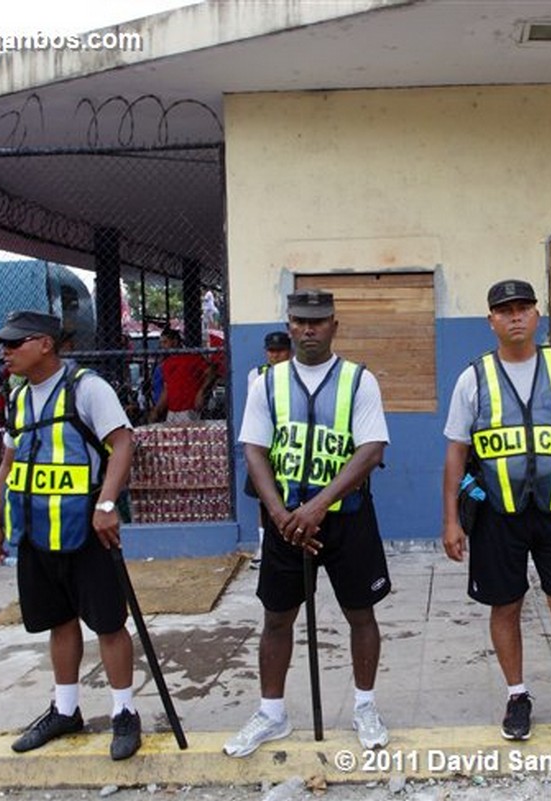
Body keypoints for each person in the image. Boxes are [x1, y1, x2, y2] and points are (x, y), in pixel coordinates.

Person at [442, 279, 551, 743]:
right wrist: (452, 520)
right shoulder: (473, 377)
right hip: (498, 512)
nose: (515, 316)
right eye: (505, 310)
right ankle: (517, 695)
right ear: (491, 321)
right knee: (505, 604)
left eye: (523, 308)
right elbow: (456, 451)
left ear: (538, 315)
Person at [227, 289, 392, 755]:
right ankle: (271, 713)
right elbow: (254, 449)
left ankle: (364, 706)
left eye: (317, 321)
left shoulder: (359, 381)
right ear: (289, 321)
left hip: (347, 520)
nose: (307, 329)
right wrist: (280, 512)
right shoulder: (268, 383)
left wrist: (317, 506)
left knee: (361, 613)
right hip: (286, 525)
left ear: (334, 325)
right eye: (299, 320)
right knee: (276, 618)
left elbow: (371, 449)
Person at [0, 311, 140, 760]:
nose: (5, 352)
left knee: (109, 622)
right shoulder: (17, 397)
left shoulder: (86, 388)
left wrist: (107, 504)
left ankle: (124, 712)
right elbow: (8, 466)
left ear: (45, 344)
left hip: (87, 528)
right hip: (34, 530)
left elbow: (123, 442)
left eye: (14, 344)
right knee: (58, 621)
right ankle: (65, 710)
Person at [246, 329, 292, 569]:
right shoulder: (257, 374)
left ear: (289, 351)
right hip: (265, 445)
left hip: (290, 444)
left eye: (280, 351)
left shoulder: (297, 374)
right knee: (262, 497)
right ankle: (264, 545)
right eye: (271, 351)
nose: (275, 356)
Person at [149, 328, 214, 423]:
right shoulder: (166, 363)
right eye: (162, 343)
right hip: (172, 410)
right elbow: (167, 389)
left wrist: (202, 391)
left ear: (175, 341)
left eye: (165, 342)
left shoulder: (192, 356)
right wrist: (157, 409)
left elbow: (211, 372)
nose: (163, 346)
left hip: (189, 408)